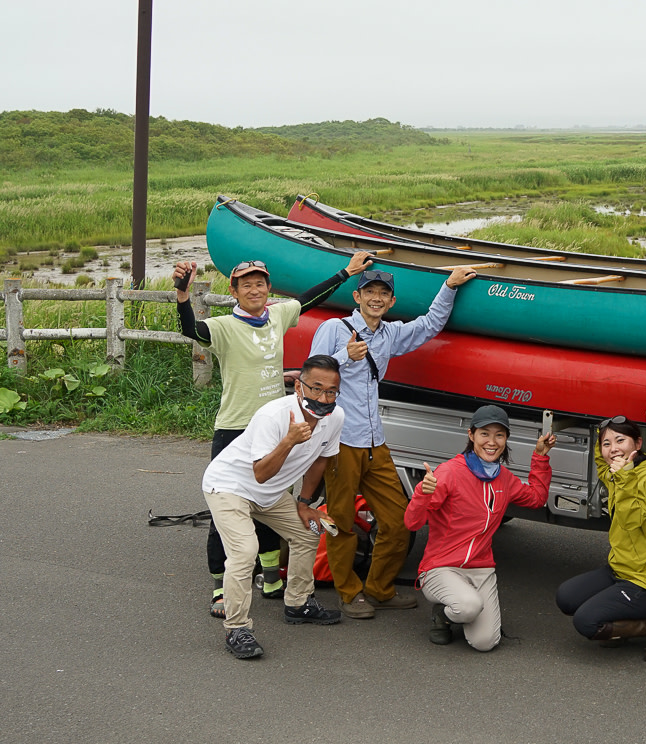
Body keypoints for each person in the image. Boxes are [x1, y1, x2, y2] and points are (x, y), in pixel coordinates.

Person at [174, 252, 371, 619]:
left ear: (268, 289)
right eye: (246, 284)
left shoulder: (278, 315)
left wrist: (346, 272)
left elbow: (309, 299)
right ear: (233, 290)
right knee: (228, 512)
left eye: (260, 283)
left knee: (273, 500)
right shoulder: (223, 326)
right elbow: (192, 331)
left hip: (283, 421)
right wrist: (183, 297)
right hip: (236, 425)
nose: (254, 289)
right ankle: (220, 588)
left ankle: (271, 579)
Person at [308, 265, 477, 620]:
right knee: (340, 521)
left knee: (400, 520)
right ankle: (349, 593)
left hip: (375, 443)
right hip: (341, 442)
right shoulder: (334, 329)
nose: (376, 298)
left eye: (383, 294)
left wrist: (449, 285)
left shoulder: (390, 334)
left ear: (391, 301)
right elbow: (312, 372)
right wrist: (344, 357)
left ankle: (379, 589)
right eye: (369, 291)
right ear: (357, 297)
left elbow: (430, 324)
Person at [201, 354, 348, 658]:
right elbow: (261, 472)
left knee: (309, 531)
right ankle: (237, 627)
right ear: (298, 386)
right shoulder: (274, 416)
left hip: (269, 493)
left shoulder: (336, 418)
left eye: (331, 391)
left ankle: (298, 603)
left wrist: (305, 502)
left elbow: (321, 459)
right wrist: (289, 441)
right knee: (244, 551)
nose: (323, 398)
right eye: (315, 388)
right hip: (231, 486)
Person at [404, 405, 557, 652]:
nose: (492, 441)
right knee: (468, 606)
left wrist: (540, 456)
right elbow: (412, 523)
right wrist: (422, 492)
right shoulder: (449, 472)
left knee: (485, 643)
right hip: (441, 567)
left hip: (481, 569)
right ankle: (443, 615)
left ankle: (460, 609)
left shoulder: (504, 478)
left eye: (499, 435)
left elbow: (536, 498)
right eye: (485, 433)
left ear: (506, 440)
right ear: (471, 435)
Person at [555, 415, 646, 663]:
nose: (613, 449)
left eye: (621, 440)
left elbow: (631, 519)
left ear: (638, 444)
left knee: (586, 622)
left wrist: (623, 476)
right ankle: (622, 623)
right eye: (606, 444)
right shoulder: (616, 472)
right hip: (619, 569)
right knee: (566, 598)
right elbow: (603, 464)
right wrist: (602, 431)